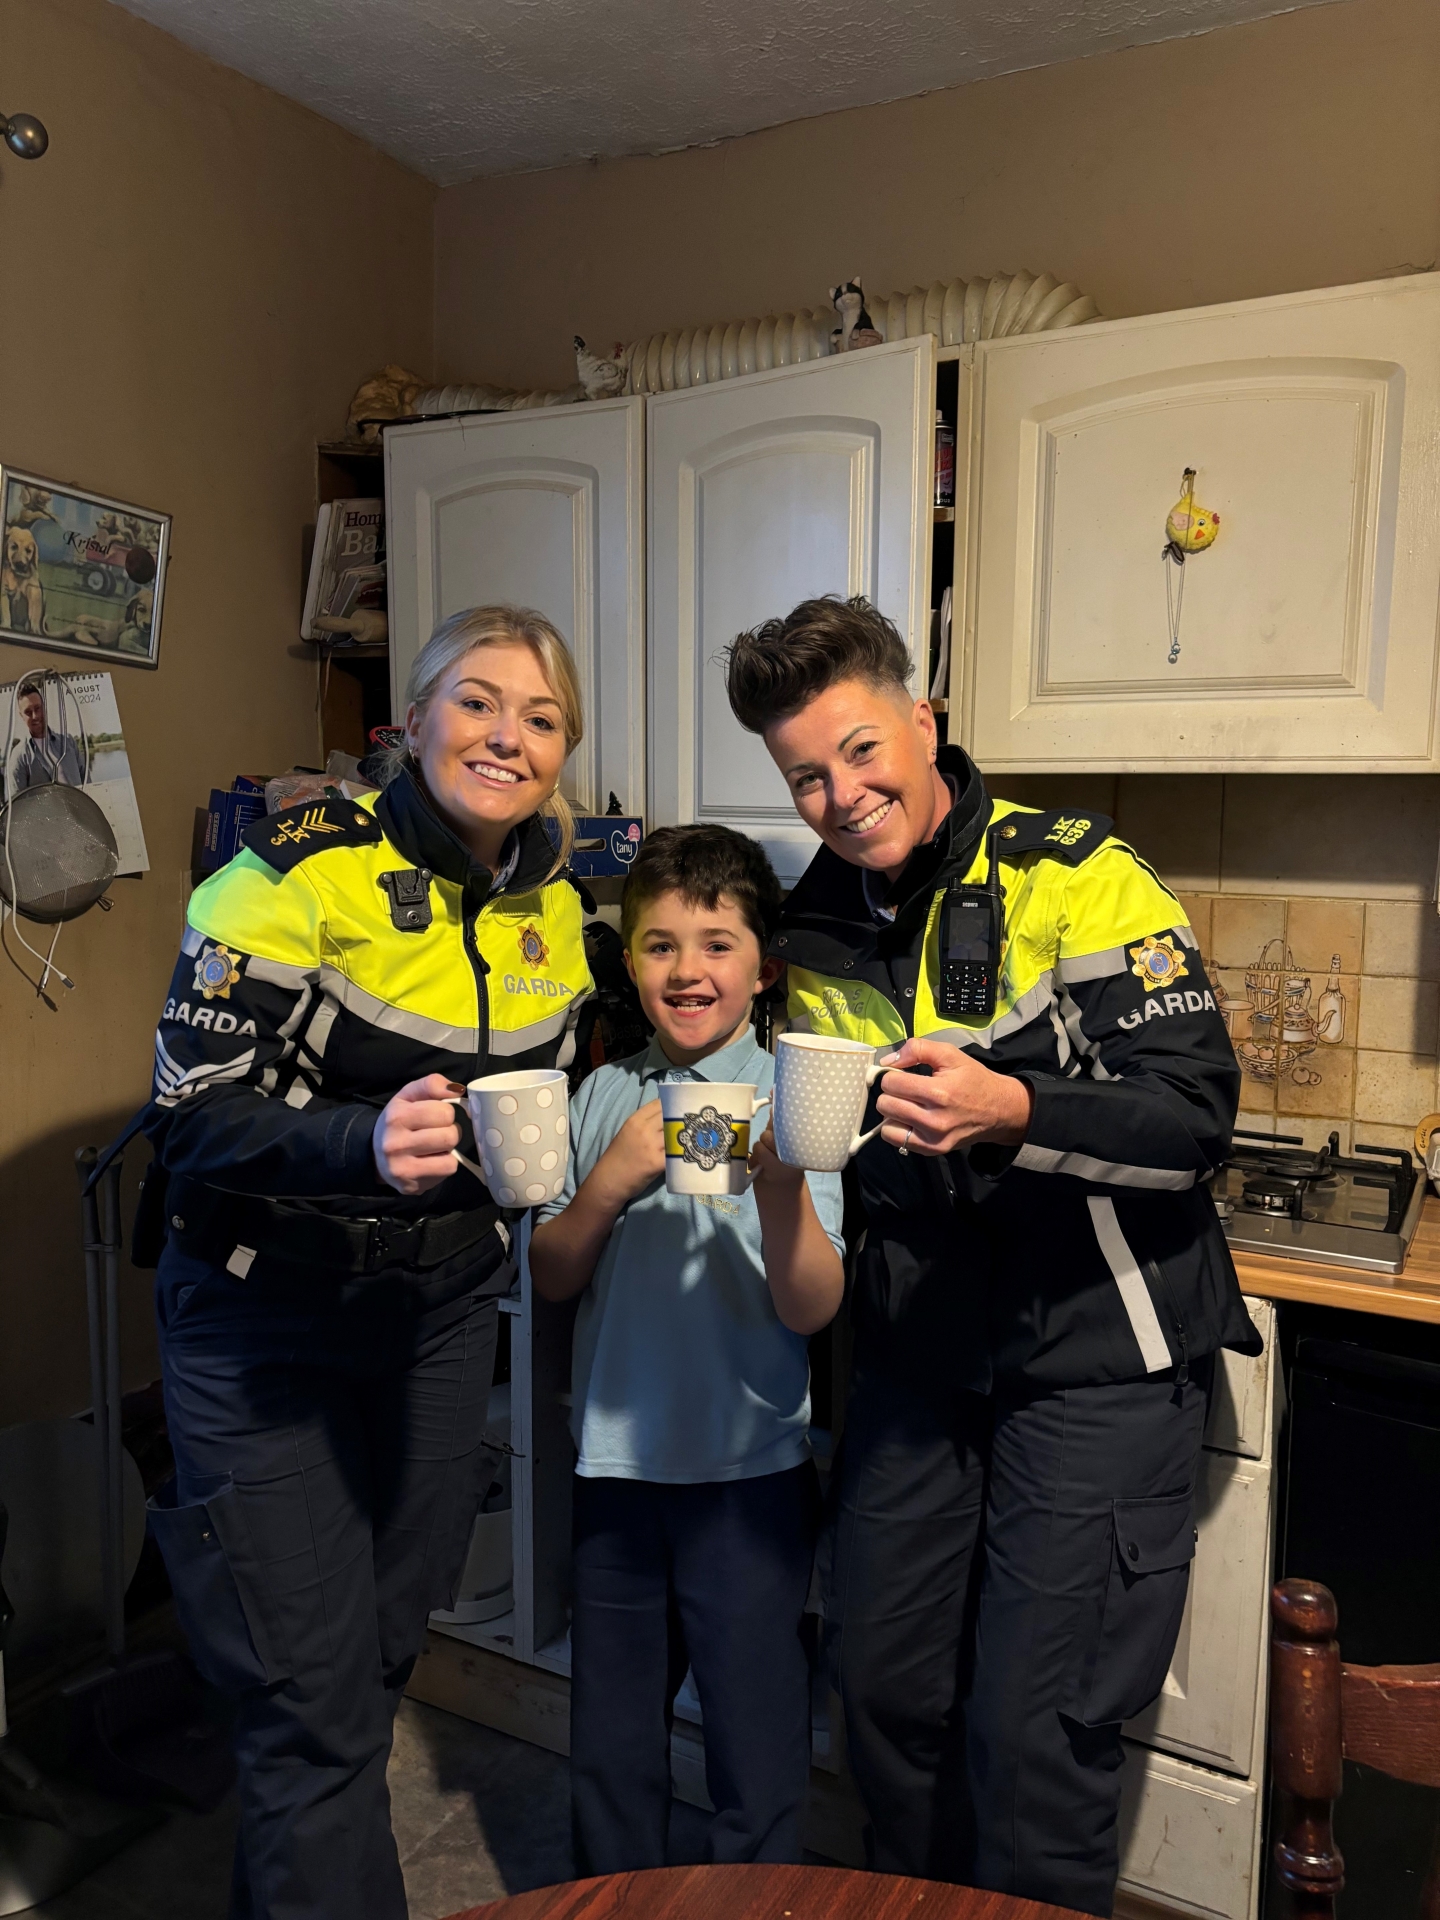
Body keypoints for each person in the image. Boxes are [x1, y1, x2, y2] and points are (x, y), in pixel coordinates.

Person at [724, 595, 1261, 1918]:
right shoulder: (818, 919)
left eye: (860, 750)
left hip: (1095, 1357)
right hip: (921, 1358)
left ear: (923, 722)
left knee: (1032, 1739)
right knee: (879, 1689)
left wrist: (1015, 1109)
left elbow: (1195, 1119)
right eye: (805, 776)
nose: (841, 795)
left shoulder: (1079, 872)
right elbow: (849, 1138)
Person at [140, 606, 594, 1920]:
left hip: (439, 1316)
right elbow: (186, 1112)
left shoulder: (559, 903)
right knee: (310, 1710)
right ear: (414, 718)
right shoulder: (287, 873)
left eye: (541, 718)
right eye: (478, 701)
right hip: (265, 1320)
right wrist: (360, 1141)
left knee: (375, 1661)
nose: (506, 736)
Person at [529, 825, 845, 1874]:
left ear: (764, 968)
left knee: (756, 1745)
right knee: (612, 1744)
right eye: (659, 945)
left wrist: (783, 1188)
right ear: (629, 964)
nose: (686, 970)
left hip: (749, 1480)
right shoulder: (603, 1096)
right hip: (615, 1474)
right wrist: (610, 1183)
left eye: (717, 944)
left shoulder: (799, 1103)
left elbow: (812, 1307)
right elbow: (551, 1273)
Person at [9, 679, 85, 790]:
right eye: (28, 712)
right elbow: (17, 799)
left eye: (37, 708)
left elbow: (87, 782)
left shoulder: (68, 742)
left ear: (44, 707)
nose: (35, 716)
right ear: (21, 716)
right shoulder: (19, 757)